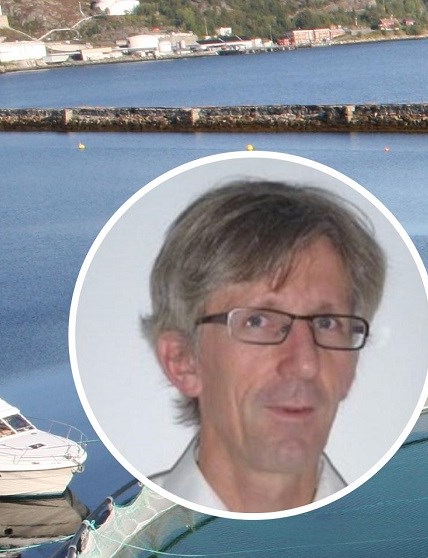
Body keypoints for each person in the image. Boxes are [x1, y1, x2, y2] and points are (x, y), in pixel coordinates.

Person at [141, 180, 386, 514]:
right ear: (183, 361)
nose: (305, 364)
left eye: (327, 323)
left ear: (350, 371)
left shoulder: (406, 543)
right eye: (258, 321)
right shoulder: (122, 554)